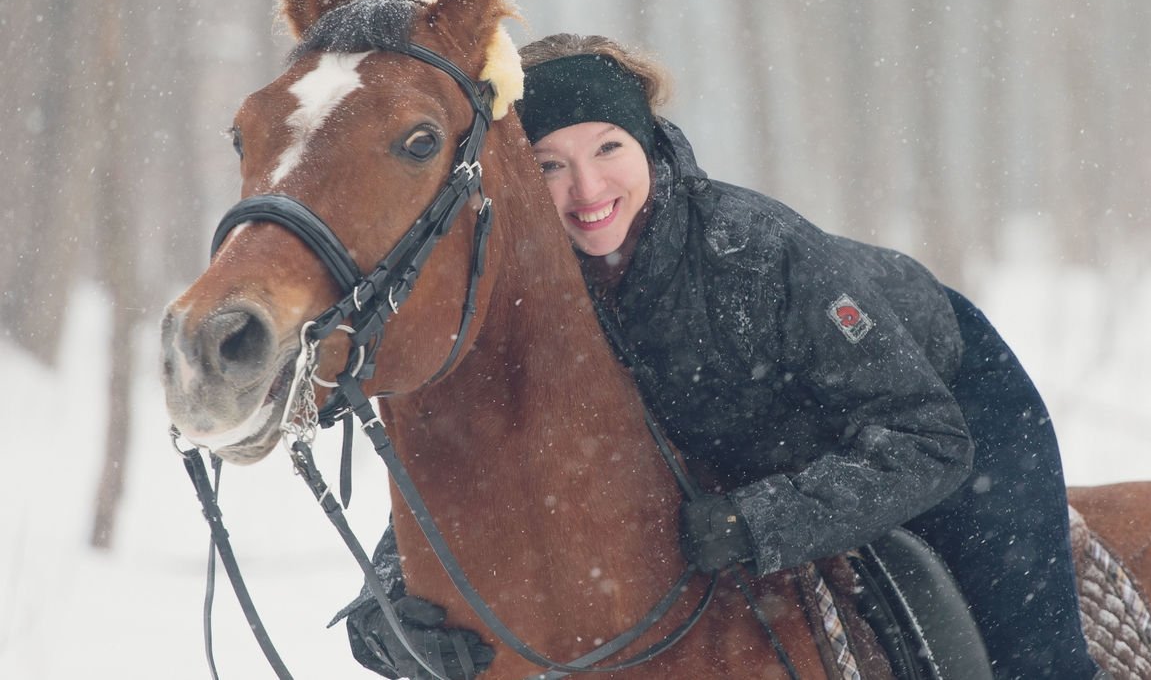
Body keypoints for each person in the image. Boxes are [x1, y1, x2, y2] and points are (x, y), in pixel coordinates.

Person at [339, 34, 1108, 680]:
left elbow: (928, 438)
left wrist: (760, 518)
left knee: (1027, 648)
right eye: (549, 163)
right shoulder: (525, 288)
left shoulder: (754, 253)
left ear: (647, 143)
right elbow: (481, 450)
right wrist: (390, 592)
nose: (587, 186)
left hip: (944, 396)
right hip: (749, 452)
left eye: (609, 146)